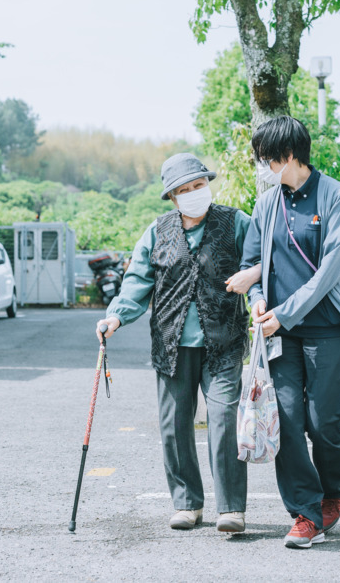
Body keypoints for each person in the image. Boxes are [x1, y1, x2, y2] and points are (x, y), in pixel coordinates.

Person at [96, 153, 260, 533]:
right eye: (184, 190)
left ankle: (231, 508)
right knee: (174, 426)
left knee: (222, 421)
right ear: (172, 197)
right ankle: (187, 503)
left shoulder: (236, 222)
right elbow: (137, 283)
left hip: (223, 342)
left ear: (208, 185)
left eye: (198, 185)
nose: (193, 193)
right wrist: (115, 317)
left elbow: (258, 263)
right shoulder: (157, 231)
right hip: (171, 346)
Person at [241, 115, 340, 549]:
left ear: (288, 155)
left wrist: (286, 312)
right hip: (280, 332)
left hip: (329, 330)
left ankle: (333, 491)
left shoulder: (334, 196)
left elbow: (331, 270)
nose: (263, 166)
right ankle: (305, 511)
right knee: (284, 417)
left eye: (266, 158)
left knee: (324, 424)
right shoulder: (267, 204)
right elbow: (252, 265)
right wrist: (259, 299)